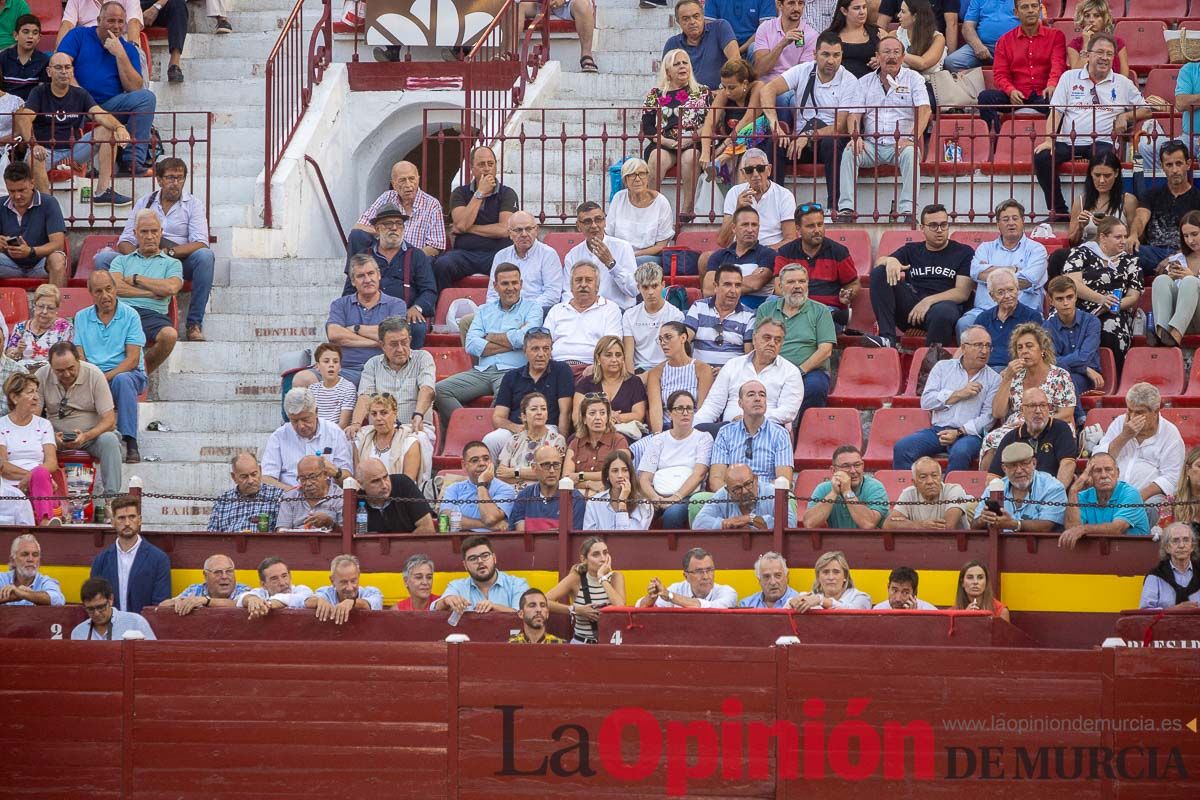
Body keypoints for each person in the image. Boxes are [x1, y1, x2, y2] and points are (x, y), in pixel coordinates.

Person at [1036, 34, 1148, 219]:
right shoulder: (1069, 77)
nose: (1105, 57)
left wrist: (1126, 115)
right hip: (1067, 140)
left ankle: (1092, 210)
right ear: (1087, 55)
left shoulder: (1123, 83)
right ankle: (1059, 210)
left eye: (1110, 54)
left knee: (1103, 160)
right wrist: (1049, 140)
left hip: (1101, 140)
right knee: (1042, 157)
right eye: (1100, 52)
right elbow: (1056, 111)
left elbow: (1146, 110)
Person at [16, 52, 128, 208]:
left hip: (72, 150)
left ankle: (103, 192)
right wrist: (33, 144)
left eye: (67, 67)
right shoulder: (39, 93)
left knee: (107, 131)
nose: (64, 71)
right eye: (59, 67)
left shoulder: (80, 94)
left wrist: (119, 127)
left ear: (72, 71)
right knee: (34, 159)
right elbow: (24, 118)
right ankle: (49, 206)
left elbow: (99, 114)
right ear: (49, 72)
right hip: (44, 151)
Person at [839, 35, 931, 224]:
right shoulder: (864, 82)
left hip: (901, 143)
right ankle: (846, 210)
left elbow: (925, 110)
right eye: (887, 52)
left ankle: (907, 212)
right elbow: (854, 114)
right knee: (849, 151)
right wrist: (855, 136)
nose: (892, 57)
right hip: (872, 144)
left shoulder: (914, 79)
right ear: (877, 56)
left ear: (903, 56)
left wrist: (911, 137)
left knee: (911, 154)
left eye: (897, 52)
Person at [436, 263, 543, 424]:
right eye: (505, 283)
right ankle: (468, 427)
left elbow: (526, 340)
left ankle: (483, 435)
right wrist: (514, 338)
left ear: (521, 284)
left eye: (514, 283)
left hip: (513, 372)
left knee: (504, 401)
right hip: (482, 371)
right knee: (439, 390)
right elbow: (471, 344)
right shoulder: (484, 310)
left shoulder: (533, 308)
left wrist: (488, 336)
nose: (510, 288)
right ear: (495, 286)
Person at [58, 3, 156, 173]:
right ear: (98, 20)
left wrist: (120, 54)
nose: (116, 26)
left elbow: (134, 87)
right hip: (78, 102)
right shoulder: (79, 35)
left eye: (120, 22)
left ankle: (132, 161)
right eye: (111, 21)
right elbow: (62, 63)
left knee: (146, 98)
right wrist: (82, 96)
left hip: (110, 105)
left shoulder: (127, 49)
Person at [761, 32, 855, 211]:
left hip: (827, 139)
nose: (831, 60)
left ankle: (834, 208)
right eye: (825, 54)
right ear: (815, 54)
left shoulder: (849, 80)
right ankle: (774, 206)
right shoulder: (803, 70)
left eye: (836, 55)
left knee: (831, 143)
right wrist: (775, 125)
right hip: (800, 142)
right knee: (776, 143)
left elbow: (839, 126)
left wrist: (809, 135)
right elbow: (767, 90)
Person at [892, 325, 1000, 472]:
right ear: (963, 347)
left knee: (960, 452)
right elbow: (926, 401)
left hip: (969, 435)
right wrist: (958, 394)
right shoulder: (942, 367)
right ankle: (910, 493)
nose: (985, 351)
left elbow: (988, 418)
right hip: (938, 430)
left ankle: (951, 494)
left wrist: (959, 432)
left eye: (988, 346)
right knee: (902, 448)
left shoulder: (994, 379)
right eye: (978, 345)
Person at [865, 203, 974, 348]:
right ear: (922, 228)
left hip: (944, 309)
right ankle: (887, 338)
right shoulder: (912, 250)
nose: (940, 230)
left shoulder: (963, 252)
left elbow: (962, 293)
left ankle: (932, 360)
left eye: (944, 225)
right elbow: (879, 261)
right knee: (880, 272)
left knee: (944, 311)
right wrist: (890, 260)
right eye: (934, 225)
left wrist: (928, 301)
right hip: (912, 311)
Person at [73, 271, 146, 463]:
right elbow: (80, 356)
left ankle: (130, 441)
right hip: (93, 376)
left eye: (109, 289)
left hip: (127, 374)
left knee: (123, 380)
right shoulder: (81, 317)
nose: (105, 296)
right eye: (98, 291)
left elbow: (132, 360)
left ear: (115, 289)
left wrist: (103, 378)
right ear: (91, 294)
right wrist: (95, 378)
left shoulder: (130, 315)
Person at [340, 203, 435, 349]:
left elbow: (429, 291)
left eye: (399, 223)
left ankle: (409, 369)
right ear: (377, 229)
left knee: (417, 327)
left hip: (403, 316)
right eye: (388, 224)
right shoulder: (363, 257)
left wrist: (417, 307)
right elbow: (349, 292)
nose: (394, 228)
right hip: (368, 313)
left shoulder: (417, 256)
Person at [349, 319, 436, 478]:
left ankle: (414, 492)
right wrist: (355, 423)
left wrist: (418, 415)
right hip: (379, 428)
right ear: (382, 345)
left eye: (404, 342)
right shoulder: (372, 364)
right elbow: (365, 396)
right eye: (393, 344)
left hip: (414, 426)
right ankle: (361, 489)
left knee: (419, 438)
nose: (400, 349)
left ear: (410, 339)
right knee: (355, 437)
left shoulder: (423, 358)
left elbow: (427, 389)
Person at [980, 324, 1075, 468]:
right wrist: (1007, 378)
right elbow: (998, 412)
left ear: (1042, 350)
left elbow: (1067, 413)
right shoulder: (1013, 376)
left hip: (1052, 424)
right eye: (1020, 348)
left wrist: (1032, 422)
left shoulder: (1060, 375)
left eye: (1029, 346)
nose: (1024, 351)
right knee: (992, 440)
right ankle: (990, 487)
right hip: (1017, 427)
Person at [36, 341, 123, 497]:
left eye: (71, 368)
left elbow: (109, 420)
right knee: (30, 440)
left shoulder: (94, 374)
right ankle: (42, 498)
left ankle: (112, 498)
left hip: (91, 436)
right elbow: (33, 417)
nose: (67, 374)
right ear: (50, 366)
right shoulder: (42, 375)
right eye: (60, 371)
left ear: (79, 359)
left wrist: (86, 436)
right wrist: (48, 437)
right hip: (54, 436)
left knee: (110, 440)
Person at [307, 255, 406, 388]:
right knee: (302, 379)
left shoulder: (396, 304)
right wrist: (377, 342)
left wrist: (355, 328)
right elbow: (334, 335)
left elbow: (393, 336)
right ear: (353, 281)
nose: (367, 280)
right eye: (360, 276)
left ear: (379, 275)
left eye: (371, 273)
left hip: (382, 369)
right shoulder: (340, 304)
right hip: (343, 369)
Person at [433, 145, 519, 292]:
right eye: (481, 164)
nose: (486, 168)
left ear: (496, 167)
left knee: (510, 266)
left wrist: (469, 228)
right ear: (472, 169)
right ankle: (444, 306)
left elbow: (504, 229)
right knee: (442, 264)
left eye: (490, 164)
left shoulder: (507, 193)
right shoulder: (460, 193)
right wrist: (480, 193)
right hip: (465, 254)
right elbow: (461, 225)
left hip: (496, 254)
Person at [755, 264, 836, 419]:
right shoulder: (766, 309)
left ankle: (805, 435)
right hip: (772, 368)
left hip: (809, 372)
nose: (798, 286)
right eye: (791, 282)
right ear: (780, 285)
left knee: (816, 388)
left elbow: (825, 350)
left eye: (802, 281)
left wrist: (799, 371)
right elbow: (758, 343)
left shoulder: (821, 311)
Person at [1061, 217, 1142, 369]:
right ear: (1103, 237)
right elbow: (1072, 283)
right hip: (1078, 309)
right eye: (1118, 237)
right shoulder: (1082, 253)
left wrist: (1111, 305)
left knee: (1110, 328)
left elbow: (1133, 296)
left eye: (1125, 236)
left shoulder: (1132, 261)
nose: (1123, 241)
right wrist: (1101, 299)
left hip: (1114, 311)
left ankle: (1113, 379)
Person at [108, 209, 182, 374]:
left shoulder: (172, 264)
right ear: (135, 234)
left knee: (169, 335)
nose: (149, 236)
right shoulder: (120, 261)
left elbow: (171, 288)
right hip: (122, 311)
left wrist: (136, 279)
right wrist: (150, 293)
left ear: (161, 232)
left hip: (152, 314)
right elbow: (115, 288)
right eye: (144, 231)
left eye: (154, 231)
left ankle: (141, 374)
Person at [642, 48, 712, 221]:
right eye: (676, 64)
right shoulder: (655, 94)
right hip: (664, 142)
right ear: (668, 71)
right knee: (656, 159)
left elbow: (710, 122)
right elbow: (648, 127)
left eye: (685, 63)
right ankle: (651, 209)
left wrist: (692, 138)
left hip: (693, 140)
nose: (682, 67)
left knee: (690, 158)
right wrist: (666, 141)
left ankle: (686, 211)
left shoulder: (702, 92)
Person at [975, 0, 1065, 134]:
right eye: (1025, 7)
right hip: (1017, 95)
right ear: (1016, 13)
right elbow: (1000, 74)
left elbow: (1058, 65)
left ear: (1039, 10)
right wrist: (1010, 90)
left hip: (1044, 93)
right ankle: (996, 142)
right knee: (985, 97)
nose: (1030, 10)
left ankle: (1054, 144)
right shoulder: (1005, 41)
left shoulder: (1056, 36)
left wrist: (1052, 85)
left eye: (1034, 6)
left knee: (1060, 101)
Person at [958, 200, 1047, 335]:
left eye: (1015, 218)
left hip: (1023, 312)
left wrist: (991, 275)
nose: (1011, 223)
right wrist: (1014, 270)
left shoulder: (1036, 250)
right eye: (1005, 219)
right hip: (984, 311)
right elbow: (976, 273)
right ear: (998, 224)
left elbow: (1028, 280)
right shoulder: (985, 248)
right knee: (964, 324)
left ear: (1023, 221)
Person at [484, 328, 575, 460]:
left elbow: (565, 412)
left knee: (547, 443)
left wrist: (561, 440)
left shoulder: (561, 371)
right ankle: (493, 478)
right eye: (535, 349)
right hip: (516, 429)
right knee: (491, 440)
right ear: (525, 351)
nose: (541, 354)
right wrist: (515, 427)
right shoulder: (511, 377)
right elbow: (498, 417)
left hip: (547, 428)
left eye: (546, 349)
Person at [696, 319, 803, 430]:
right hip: (729, 430)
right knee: (701, 430)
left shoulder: (790, 372)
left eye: (777, 340)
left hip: (768, 430)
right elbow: (713, 405)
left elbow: (788, 411)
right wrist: (694, 426)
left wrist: (749, 419)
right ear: (754, 338)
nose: (772, 343)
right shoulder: (733, 365)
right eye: (767, 338)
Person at [1094, 383, 1185, 510]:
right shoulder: (1120, 423)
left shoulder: (1170, 434)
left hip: (1147, 501)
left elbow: (1171, 478)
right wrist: (1124, 436)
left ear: (1156, 411)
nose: (1132, 417)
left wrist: (1136, 499)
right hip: (1108, 493)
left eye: (1139, 412)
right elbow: (1097, 458)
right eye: (1130, 411)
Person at [1047, 150, 1136, 280]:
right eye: (1097, 175)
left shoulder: (1128, 201)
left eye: (1107, 175)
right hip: (1087, 252)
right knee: (1058, 256)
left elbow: (1137, 237)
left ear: (1116, 174)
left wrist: (1110, 226)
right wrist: (1080, 226)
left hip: (1115, 253)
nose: (1101, 180)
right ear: (1090, 174)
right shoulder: (1081, 202)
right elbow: (1072, 241)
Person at [709, 148, 796, 274]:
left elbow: (790, 239)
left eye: (760, 169)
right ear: (743, 174)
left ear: (769, 170)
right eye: (749, 170)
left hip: (769, 252)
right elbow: (722, 241)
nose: (755, 174)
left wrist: (762, 251)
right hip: (737, 252)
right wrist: (738, 209)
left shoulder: (784, 195)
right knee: (705, 259)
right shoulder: (734, 193)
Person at [774, 204, 859, 327]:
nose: (817, 230)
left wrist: (848, 293)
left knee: (822, 321)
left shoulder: (839, 252)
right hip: (793, 306)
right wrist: (805, 307)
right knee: (770, 303)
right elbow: (778, 288)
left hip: (827, 310)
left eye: (820, 224)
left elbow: (854, 283)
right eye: (810, 226)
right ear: (798, 229)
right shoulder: (785, 252)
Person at [638, 390, 713, 528]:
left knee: (673, 515)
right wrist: (654, 497)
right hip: (657, 494)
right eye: (680, 408)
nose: (685, 413)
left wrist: (676, 498)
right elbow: (644, 477)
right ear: (670, 413)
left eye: (689, 408)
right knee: (638, 512)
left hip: (687, 495)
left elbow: (699, 474)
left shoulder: (703, 438)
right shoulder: (658, 440)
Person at [89, 494, 170, 612]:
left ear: (139, 520)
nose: (127, 523)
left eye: (132, 517)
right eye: (121, 518)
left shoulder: (159, 559)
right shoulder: (101, 560)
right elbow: (94, 602)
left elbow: (160, 605)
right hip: (111, 628)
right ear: (113, 522)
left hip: (144, 628)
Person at [707, 380, 794, 490]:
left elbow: (784, 480)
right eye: (751, 394)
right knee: (699, 499)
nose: (758, 398)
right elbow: (716, 479)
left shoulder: (780, 434)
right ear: (740, 403)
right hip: (731, 496)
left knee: (788, 501)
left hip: (768, 497)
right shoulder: (725, 433)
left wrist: (755, 494)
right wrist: (738, 494)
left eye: (762, 395)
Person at [350, 160, 446, 259]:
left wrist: (408, 258)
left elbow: (435, 246)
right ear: (393, 184)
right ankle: (355, 272)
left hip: (413, 259)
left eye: (412, 179)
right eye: (402, 180)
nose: (408, 184)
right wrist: (383, 232)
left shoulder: (432, 204)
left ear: (418, 179)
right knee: (357, 235)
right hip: (383, 255)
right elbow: (359, 226)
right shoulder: (387, 197)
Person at [262, 388, 353, 490]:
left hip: (328, 499)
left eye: (305, 419)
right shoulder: (278, 436)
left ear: (316, 412)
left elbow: (348, 478)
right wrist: (293, 493)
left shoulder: (334, 433)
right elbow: (267, 479)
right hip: (290, 498)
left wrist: (335, 472)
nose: (301, 426)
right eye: (295, 421)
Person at [1132, 143, 1200, 278]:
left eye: (1179, 163)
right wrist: (1133, 235)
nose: (1175, 170)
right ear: (1162, 167)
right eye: (1169, 165)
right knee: (1126, 250)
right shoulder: (1152, 195)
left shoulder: (1198, 198)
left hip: (1187, 254)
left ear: (1188, 164)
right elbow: (1140, 218)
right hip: (1153, 252)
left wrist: (1175, 257)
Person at [544, 262, 622, 377]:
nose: (583, 284)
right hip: (556, 369)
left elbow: (612, 344)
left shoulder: (610, 309)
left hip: (591, 369)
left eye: (589, 280)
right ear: (571, 286)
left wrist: (597, 366)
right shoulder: (557, 309)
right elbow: (544, 342)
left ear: (597, 286)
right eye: (578, 280)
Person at [698, 58, 770, 184]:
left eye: (731, 87)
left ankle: (722, 159)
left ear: (745, 83)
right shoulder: (724, 94)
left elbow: (748, 118)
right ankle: (722, 160)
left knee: (752, 130)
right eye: (724, 87)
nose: (727, 92)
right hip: (733, 144)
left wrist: (725, 145)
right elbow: (709, 123)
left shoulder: (758, 87)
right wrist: (705, 152)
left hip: (756, 140)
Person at [1043, 274, 1103, 425]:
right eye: (1060, 299)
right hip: (1066, 376)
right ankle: (1078, 419)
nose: (1066, 303)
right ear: (1051, 301)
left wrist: (1082, 370)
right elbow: (1050, 361)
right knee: (1059, 374)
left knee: (1061, 373)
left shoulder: (1092, 322)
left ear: (1076, 297)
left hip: (1088, 379)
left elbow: (1084, 357)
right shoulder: (1046, 327)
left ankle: (1076, 421)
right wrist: (1085, 369)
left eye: (1069, 297)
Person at [989, 387, 1078, 487]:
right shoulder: (1011, 437)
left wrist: (1055, 493)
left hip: (1051, 495)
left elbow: (1068, 464)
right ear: (1022, 410)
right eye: (1032, 406)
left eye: (1043, 405)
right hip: (1019, 496)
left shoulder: (1060, 428)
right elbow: (993, 475)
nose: (1038, 411)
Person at [1059, 453, 1151, 549]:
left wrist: (1083, 529)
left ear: (1117, 473)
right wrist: (1073, 491)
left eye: (1108, 469)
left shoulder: (1130, 493)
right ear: (1089, 475)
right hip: (1096, 556)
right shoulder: (1082, 496)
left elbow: (1117, 528)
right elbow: (1072, 530)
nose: (1103, 475)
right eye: (1097, 471)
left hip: (1132, 554)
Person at [971, 442, 1067, 532]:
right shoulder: (994, 488)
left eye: (1024, 464)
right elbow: (973, 526)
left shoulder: (1052, 487)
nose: (1019, 470)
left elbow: (1047, 525)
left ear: (1034, 463)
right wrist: (982, 520)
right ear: (1004, 468)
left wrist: (1014, 524)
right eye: (1012, 466)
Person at [0, 372, 57, 524]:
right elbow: (3, 466)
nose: (37, 397)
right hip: (9, 485)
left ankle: (46, 522)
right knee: (40, 473)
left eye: (36, 392)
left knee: (41, 472)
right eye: (30, 392)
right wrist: (32, 476)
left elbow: (52, 463)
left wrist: (34, 477)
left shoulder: (44, 424)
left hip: (40, 484)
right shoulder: (1, 425)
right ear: (15, 397)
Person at [546, 537, 625, 643]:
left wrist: (602, 577)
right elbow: (544, 601)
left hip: (610, 643)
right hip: (581, 643)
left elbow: (620, 607)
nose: (603, 558)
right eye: (596, 554)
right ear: (584, 559)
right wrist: (575, 610)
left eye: (605, 553)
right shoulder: (576, 578)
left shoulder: (616, 577)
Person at [0, 161, 67, 285]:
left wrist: (30, 251)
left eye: (21, 190)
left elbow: (58, 245)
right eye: (12, 191)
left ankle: (57, 302)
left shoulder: (49, 203)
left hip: (40, 264)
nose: (17, 196)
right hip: (8, 263)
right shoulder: (1, 204)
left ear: (32, 183)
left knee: (57, 258)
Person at [352, 393, 430, 499]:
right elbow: (359, 479)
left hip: (400, 500)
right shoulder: (360, 441)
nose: (378, 418)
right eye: (374, 414)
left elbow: (407, 484)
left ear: (395, 413)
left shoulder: (410, 442)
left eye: (384, 413)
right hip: (368, 500)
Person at [564, 202, 639, 310]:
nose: (594, 226)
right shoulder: (573, 255)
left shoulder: (623, 247)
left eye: (598, 219)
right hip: (584, 312)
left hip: (618, 311)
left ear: (605, 222)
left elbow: (633, 290)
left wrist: (611, 264)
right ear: (578, 226)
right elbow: (568, 293)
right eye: (587, 221)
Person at [702, 209, 778, 313]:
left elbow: (755, 283)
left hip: (754, 314)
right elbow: (708, 289)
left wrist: (722, 285)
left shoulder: (768, 254)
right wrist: (748, 281)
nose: (750, 230)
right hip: (719, 312)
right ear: (734, 228)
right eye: (745, 225)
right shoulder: (718, 256)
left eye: (754, 225)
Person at [486, 211, 562, 313]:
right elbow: (493, 293)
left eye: (529, 229)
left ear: (536, 230)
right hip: (504, 312)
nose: (524, 234)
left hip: (535, 312)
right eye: (518, 230)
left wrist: (522, 309)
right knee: (467, 321)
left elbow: (552, 294)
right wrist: (496, 312)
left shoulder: (548, 254)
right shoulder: (501, 256)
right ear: (510, 233)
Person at [573, 336, 648, 438]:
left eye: (618, 355)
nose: (614, 359)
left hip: (623, 435)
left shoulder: (634, 382)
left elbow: (639, 415)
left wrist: (614, 417)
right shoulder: (586, 383)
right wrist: (606, 417)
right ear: (598, 358)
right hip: (590, 434)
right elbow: (576, 416)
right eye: (608, 355)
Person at [646, 321, 714, 434]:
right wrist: (658, 437)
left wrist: (691, 434)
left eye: (668, 337)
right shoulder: (656, 372)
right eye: (661, 339)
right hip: (666, 428)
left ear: (683, 338)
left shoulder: (702, 369)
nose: (663, 343)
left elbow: (703, 408)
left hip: (694, 428)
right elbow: (655, 410)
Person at [683, 264, 755, 368]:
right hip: (698, 374)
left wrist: (725, 372)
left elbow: (749, 358)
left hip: (732, 378)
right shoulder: (699, 307)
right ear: (715, 287)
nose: (733, 290)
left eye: (738, 285)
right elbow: (683, 341)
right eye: (727, 284)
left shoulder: (749, 316)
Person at [435, 535, 530, 613]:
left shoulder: (517, 584)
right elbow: (435, 609)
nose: (480, 561)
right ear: (465, 565)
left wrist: (493, 607)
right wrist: (445, 601)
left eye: (485, 556)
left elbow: (522, 615)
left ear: (494, 558)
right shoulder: (457, 586)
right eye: (473, 558)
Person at [662, 0, 739, 95]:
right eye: (686, 19)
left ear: (703, 16)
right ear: (678, 22)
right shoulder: (672, 43)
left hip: (721, 97)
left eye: (696, 16)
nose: (692, 22)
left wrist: (720, 91)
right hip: (686, 101)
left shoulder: (720, 28)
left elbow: (736, 60)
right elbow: (666, 77)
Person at [606, 158, 674, 266]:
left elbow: (661, 245)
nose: (637, 179)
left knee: (633, 263)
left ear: (647, 177)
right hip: (620, 255)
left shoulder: (661, 202)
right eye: (632, 175)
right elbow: (608, 235)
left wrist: (633, 255)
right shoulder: (618, 198)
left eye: (641, 174)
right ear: (625, 180)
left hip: (650, 258)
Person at [804, 444, 889, 529]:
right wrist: (833, 493)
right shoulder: (823, 488)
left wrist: (847, 492)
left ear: (863, 466)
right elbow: (809, 524)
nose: (853, 471)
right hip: (836, 541)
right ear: (833, 470)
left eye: (857, 465)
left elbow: (868, 524)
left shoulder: (875, 487)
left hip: (868, 541)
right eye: (846, 466)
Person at [440, 441, 516, 533]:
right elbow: (446, 518)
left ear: (491, 462)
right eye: (475, 460)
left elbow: (490, 518)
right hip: (459, 540)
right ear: (464, 465)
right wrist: (484, 525)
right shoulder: (453, 489)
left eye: (486, 459)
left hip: (493, 542)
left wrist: (481, 484)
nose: (482, 463)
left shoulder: (505, 489)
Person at [974, 270, 1043, 371]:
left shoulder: (1032, 317)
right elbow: (974, 350)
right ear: (992, 296)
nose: (1007, 296)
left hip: (1019, 371)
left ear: (1018, 290)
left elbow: (1036, 353)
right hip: (985, 371)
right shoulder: (983, 319)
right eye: (1000, 292)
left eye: (1011, 290)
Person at [496, 393, 567, 490]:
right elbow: (501, 474)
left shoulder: (556, 440)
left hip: (540, 494)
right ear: (524, 416)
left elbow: (550, 473)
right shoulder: (514, 439)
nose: (539, 412)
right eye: (534, 409)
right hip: (510, 493)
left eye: (543, 409)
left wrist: (514, 472)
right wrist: (532, 475)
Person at [692, 463, 795, 530]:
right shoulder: (722, 494)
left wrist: (749, 519)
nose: (745, 491)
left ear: (756, 479)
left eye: (748, 484)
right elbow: (698, 523)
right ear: (728, 490)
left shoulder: (772, 492)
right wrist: (724, 523)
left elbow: (790, 524)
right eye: (737, 489)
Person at [1150, 211, 1200, 348]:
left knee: (1190, 281)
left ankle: (1175, 337)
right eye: (1186, 236)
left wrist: (1193, 277)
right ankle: (1161, 335)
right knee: (1161, 280)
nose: (1190, 240)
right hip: (1179, 316)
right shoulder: (1177, 259)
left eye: (1194, 234)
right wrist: (1170, 278)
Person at [623, 264, 685, 374]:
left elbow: (676, 354)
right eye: (645, 287)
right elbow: (628, 357)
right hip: (638, 371)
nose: (650, 292)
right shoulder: (629, 315)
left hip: (667, 371)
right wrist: (632, 382)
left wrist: (651, 376)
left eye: (654, 286)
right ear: (638, 288)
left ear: (663, 285)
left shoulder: (676, 315)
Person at [565, 394, 630, 497]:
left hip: (609, 495)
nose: (598, 418)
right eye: (592, 413)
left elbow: (619, 474)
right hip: (579, 496)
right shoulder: (575, 443)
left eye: (602, 413)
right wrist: (589, 484)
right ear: (584, 419)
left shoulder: (619, 441)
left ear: (608, 417)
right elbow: (567, 479)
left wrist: (580, 475)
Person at [509, 444, 586, 531]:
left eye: (556, 465)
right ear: (534, 468)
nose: (552, 471)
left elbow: (575, 538)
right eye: (546, 465)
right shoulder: (524, 496)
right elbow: (520, 535)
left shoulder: (575, 498)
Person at [636, 546, 738, 607]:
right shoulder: (676, 589)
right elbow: (639, 607)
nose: (706, 576)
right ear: (686, 576)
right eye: (699, 571)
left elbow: (710, 607)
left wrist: (671, 597)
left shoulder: (728, 592)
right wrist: (651, 598)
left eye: (710, 570)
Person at [885, 458, 972, 530]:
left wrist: (907, 524)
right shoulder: (908, 493)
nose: (930, 481)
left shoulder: (954, 490)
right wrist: (919, 525)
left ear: (941, 478)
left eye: (934, 476)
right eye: (923, 477)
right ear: (914, 482)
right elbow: (888, 524)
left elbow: (947, 527)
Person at [206, 452, 283, 532]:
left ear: (260, 471)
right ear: (234, 477)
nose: (250, 481)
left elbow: (282, 534)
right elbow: (211, 537)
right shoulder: (222, 502)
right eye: (244, 477)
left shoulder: (277, 496)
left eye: (254, 474)